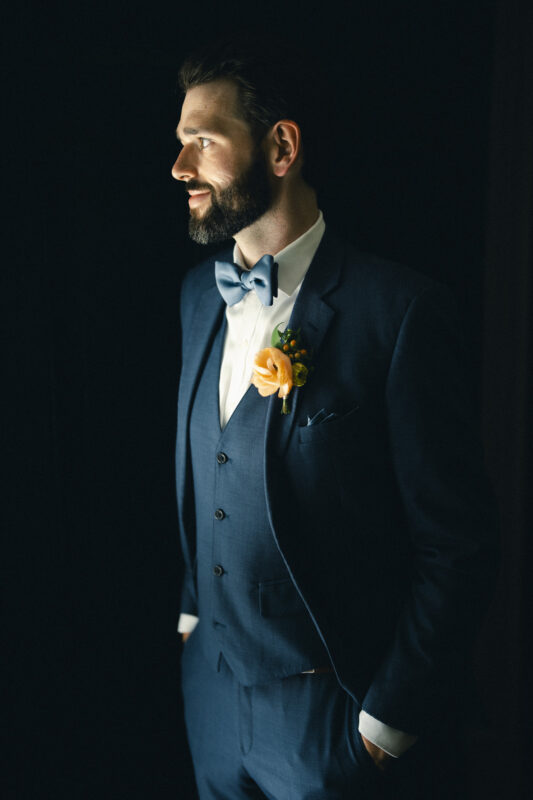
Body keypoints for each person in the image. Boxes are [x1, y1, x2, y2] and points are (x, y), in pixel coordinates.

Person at [172, 34, 498, 800]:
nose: (181, 168)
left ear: (280, 147)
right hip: (210, 704)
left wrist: (382, 726)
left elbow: (457, 544)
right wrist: (191, 622)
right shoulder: (196, 300)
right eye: (180, 144)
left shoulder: (400, 314)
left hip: (331, 720)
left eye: (203, 142)